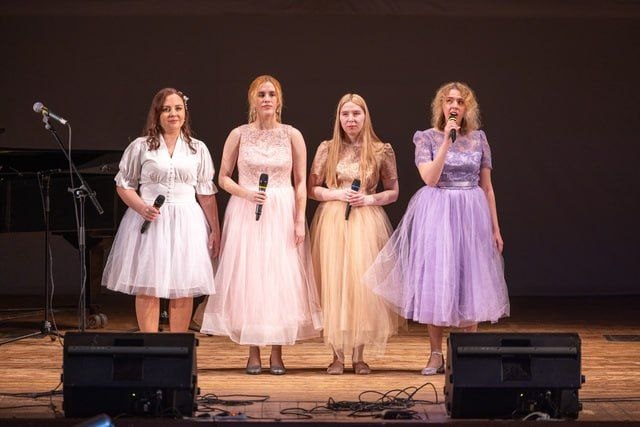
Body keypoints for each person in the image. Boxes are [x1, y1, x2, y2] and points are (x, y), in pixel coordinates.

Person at [365, 82, 509, 375]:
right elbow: (429, 178)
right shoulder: (426, 138)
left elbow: (487, 187)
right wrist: (446, 142)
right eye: (449, 101)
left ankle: (468, 353)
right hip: (439, 211)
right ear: (441, 106)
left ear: (467, 108)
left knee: (471, 277)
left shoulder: (479, 139)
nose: (454, 106)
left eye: (460, 101)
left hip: (471, 213)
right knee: (437, 277)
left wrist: (495, 228)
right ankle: (435, 354)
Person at [200, 75, 322, 375]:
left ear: (279, 100)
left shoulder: (292, 135)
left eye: (271, 94)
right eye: (261, 94)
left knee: (279, 278)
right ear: (252, 100)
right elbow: (223, 177)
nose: (266, 99)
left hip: (281, 210)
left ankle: (277, 351)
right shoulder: (238, 134)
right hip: (247, 211)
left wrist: (299, 219)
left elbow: (301, 181)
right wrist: (245, 192)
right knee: (251, 277)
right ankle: (253, 350)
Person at [102, 87, 220, 332]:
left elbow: (206, 193)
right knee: (148, 284)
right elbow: (124, 185)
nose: (173, 114)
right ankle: (150, 345)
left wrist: (215, 230)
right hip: (150, 220)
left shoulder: (197, 148)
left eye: (178, 108)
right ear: (157, 114)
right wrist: (141, 207)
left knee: (183, 286)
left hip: (186, 221)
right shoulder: (141, 146)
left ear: (185, 112)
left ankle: (178, 346)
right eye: (166, 109)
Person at [308, 93, 400, 375]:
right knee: (335, 284)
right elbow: (312, 189)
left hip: (366, 221)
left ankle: (359, 356)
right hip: (333, 221)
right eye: (345, 114)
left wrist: (369, 199)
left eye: (356, 114)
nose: (350, 119)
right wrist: (336, 194)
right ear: (338, 118)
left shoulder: (381, 150)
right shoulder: (327, 148)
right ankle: (336, 355)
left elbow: (393, 191)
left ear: (365, 116)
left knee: (361, 288)